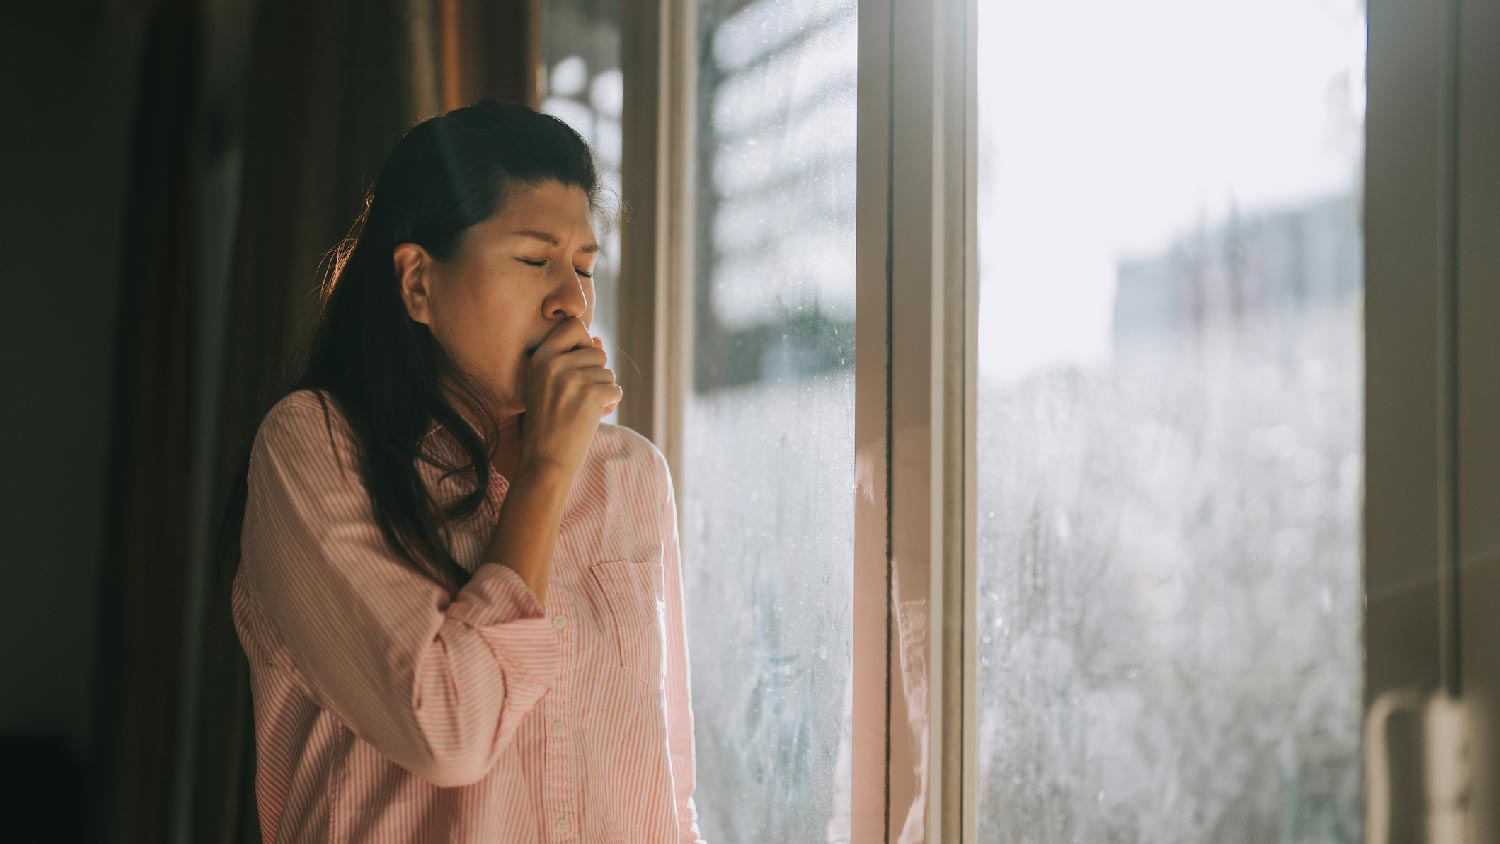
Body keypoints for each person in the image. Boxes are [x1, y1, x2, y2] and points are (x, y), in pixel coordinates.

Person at [230, 98, 704, 842]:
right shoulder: (314, 448)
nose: (571, 301)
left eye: (583, 267)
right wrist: (547, 468)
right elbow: (447, 731)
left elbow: (665, 780)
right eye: (533, 260)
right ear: (418, 282)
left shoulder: (632, 476)